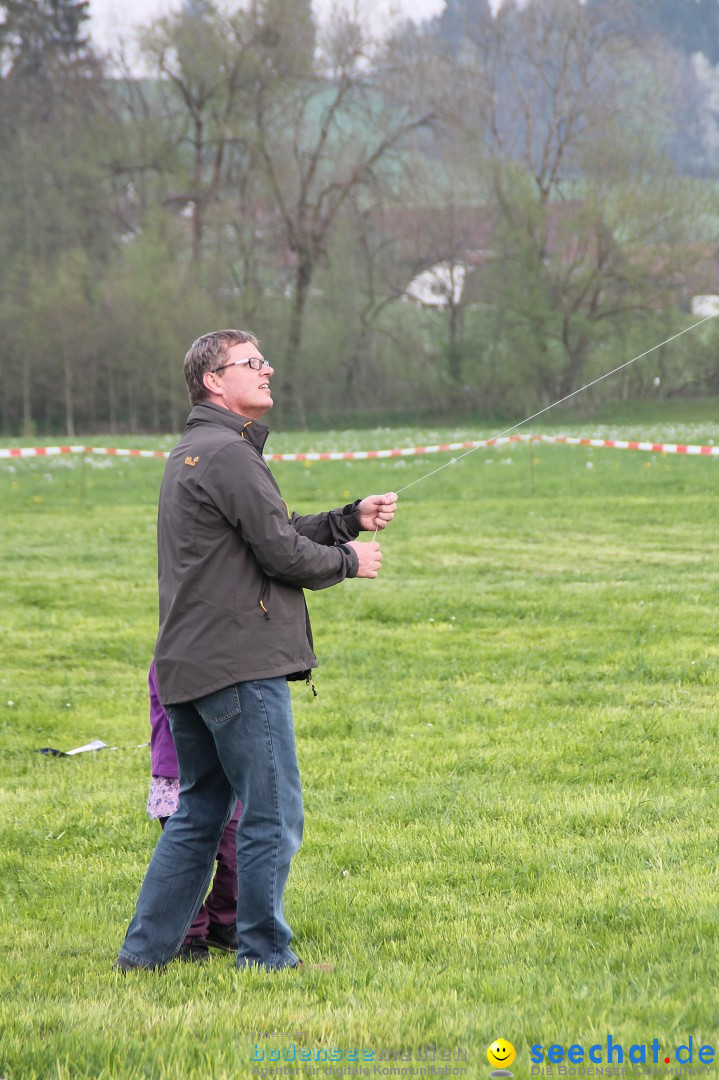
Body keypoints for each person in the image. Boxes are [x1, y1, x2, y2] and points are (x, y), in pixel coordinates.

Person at [116, 328, 397, 971]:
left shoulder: (200, 450)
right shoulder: (227, 454)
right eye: (252, 362)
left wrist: (347, 518)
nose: (267, 370)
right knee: (272, 812)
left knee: (201, 813)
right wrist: (348, 561)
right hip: (236, 666)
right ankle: (266, 954)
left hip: (189, 665)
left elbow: (268, 531)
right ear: (215, 381)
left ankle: (146, 956)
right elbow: (279, 552)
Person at [146, 660, 241, 961]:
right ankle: (188, 935)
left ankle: (224, 922)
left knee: (236, 850)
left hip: (224, 774)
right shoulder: (169, 663)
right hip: (178, 778)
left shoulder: (222, 656)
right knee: (189, 857)